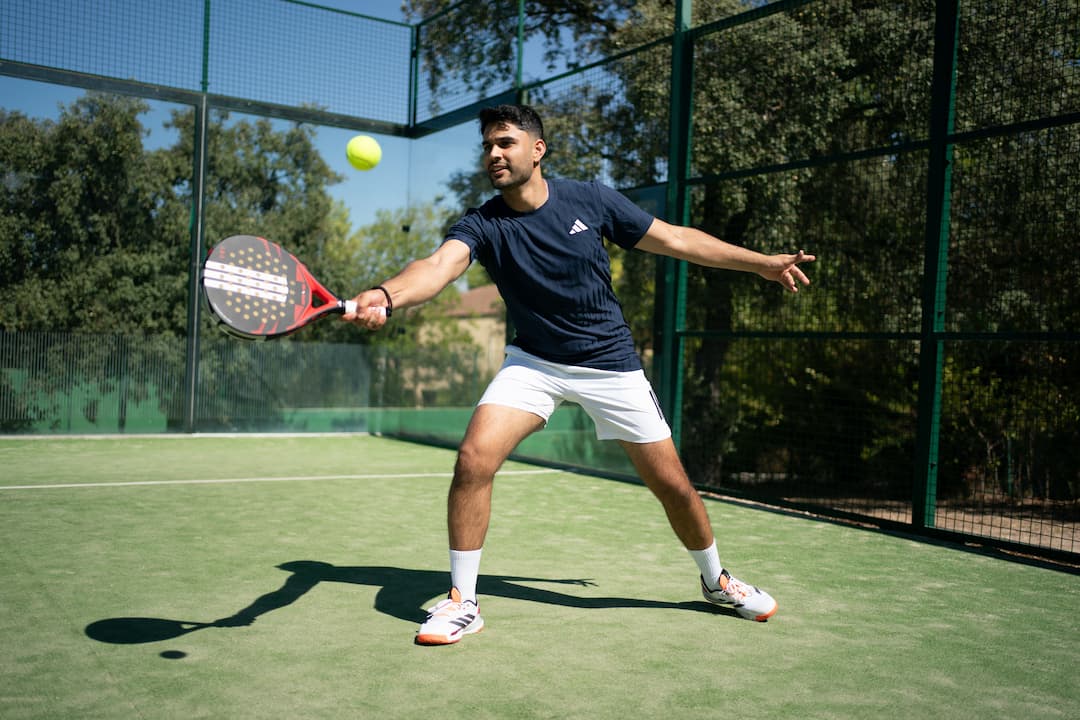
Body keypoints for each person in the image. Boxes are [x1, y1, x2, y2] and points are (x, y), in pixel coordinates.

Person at [345, 104, 814, 645]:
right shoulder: (483, 223)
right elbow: (437, 267)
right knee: (474, 458)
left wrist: (760, 262)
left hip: (611, 364)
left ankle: (716, 580)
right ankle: (462, 601)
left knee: (673, 486)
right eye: (488, 146)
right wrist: (386, 295)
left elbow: (678, 240)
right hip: (534, 363)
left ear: (537, 149)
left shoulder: (590, 199)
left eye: (505, 143)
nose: (494, 154)